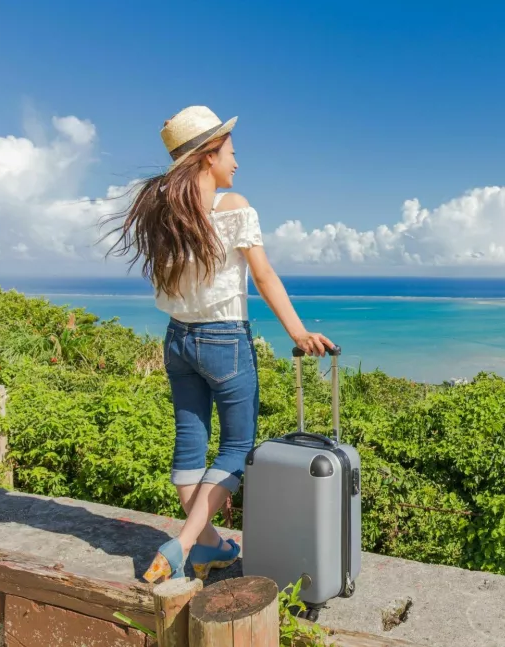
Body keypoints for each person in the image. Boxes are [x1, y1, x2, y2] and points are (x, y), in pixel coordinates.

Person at [105, 105, 334, 583]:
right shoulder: (234, 208)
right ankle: (183, 544)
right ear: (209, 155)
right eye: (231, 152)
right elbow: (264, 275)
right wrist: (298, 332)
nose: (236, 161)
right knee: (236, 447)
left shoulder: (167, 212)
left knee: (190, 443)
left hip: (177, 340)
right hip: (224, 340)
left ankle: (209, 545)